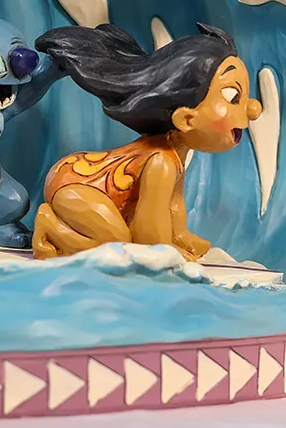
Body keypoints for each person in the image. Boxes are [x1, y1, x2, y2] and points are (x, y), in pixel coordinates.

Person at [32, 22, 262, 261]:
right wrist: (163, 250)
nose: (254, 108)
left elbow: (172, 203)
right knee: (115, 243)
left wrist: (179, 235)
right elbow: (147, 228)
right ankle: (49, 225)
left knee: (118, 238)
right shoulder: (161, 160)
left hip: (78, 175)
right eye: (232, 96)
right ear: (185, 119)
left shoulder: (174, 152)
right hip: (76, 185)